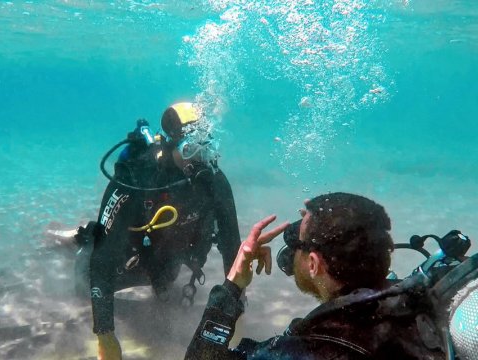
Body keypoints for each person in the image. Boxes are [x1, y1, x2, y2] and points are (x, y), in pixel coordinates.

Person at [185, 192, 448, 359]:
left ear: (313, 264)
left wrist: (232, 286)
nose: (291, 254)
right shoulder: (420, 302)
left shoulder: (310, 351)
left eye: (297, 246)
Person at [82, 102, 241, 359]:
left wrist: (237, 309)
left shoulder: (214, 180)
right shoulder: (135, 177)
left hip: (169, 257)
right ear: (169, 144)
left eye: (206, 148)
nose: (200, 160)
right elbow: (102, 261)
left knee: (165, 291)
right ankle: (80, 238)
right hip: (128, 255)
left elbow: (232, 246)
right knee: (83, 281)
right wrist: (105, 334)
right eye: (190, 149)